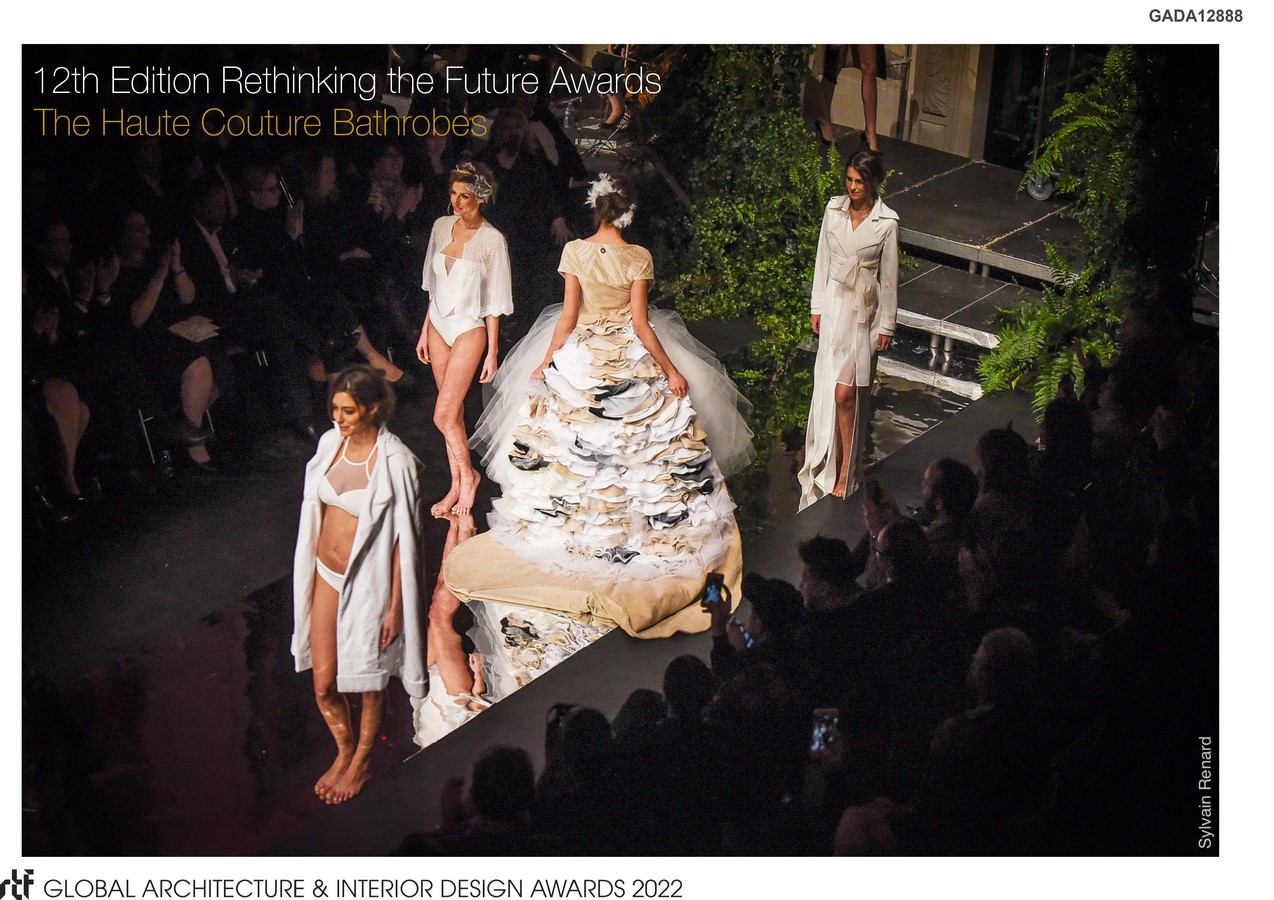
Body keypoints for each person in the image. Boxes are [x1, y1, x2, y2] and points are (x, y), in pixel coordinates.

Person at [471, 173, 753, 581]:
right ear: (629, 212)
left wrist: (547, 362)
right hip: (628, 354)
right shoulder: (637, 257)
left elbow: (568, 318)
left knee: (576, 443)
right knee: (641, 439)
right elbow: (640, 324)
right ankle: (635, 525)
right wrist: (671, 370)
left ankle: (582, 526)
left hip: (583, 356)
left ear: (596, 207)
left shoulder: (575, 251)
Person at [292, 365, 426, 804]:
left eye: (348, 410)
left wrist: (395, 607)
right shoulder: (330, 444)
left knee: (368, 680)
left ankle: (363, 760)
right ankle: (345, 751)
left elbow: (406, 540)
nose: (338, 418)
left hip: (368, 584)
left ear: (372, 409)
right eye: (334, 409)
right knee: (324, 683)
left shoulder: (396, 462)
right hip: (325, 576)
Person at [797, 150, 899, 509]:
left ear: (873, 182)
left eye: (860, 181)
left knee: (846, 392)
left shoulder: (886, 223)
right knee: (831, 388)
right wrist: (817, 305)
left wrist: (887, 324)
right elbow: (822, 259)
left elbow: (890, 277)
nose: (853, 187)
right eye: (849, 180)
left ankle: (847, 472)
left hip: (864, 314)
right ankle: (831, 459)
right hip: (835, 305)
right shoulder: (834, 210)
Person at [415, 161, 513, 517]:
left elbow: (495, 302)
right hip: (437, 325)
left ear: (481, 198)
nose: (457, 202)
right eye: (453, 193)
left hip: (469, 327)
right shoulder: (441, 227)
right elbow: (432, 285)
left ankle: (469, 477)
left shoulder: (492, 240)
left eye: (465, 196)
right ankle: (456, 485)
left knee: (442, 414)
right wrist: (424, 330)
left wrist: (493, 351)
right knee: (451, 415)